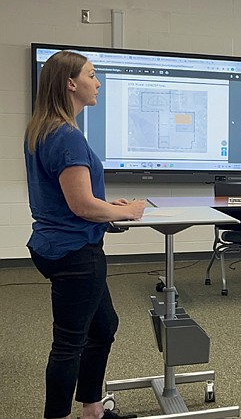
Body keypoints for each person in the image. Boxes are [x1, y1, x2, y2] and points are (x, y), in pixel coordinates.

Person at [24, 50, 146, 419]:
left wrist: (105, 205)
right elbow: (81, 206)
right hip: (75, 252)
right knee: (69, 345)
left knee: (104, 325)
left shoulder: (43, 129)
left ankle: (92, 409)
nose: (98, 83)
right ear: (70, 83)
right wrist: (125, 211)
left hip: (53, 244)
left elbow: (72, 199)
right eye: (92, 75)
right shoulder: (67, 136)